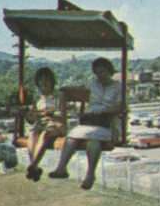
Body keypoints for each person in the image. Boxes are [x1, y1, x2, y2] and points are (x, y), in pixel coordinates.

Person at [49, 57, 123, 190]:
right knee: (71, 138)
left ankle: (89, 175)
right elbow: (83, 94)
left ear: (110, 71)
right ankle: (61, 168)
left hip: (107, 121)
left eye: (103, 72)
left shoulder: (118, 87)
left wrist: (103, 111)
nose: (100, 75)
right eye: (98, 72)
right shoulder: (93, 85)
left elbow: (121, 107)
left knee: (93, 140)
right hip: (91, 120)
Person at [25, 67, 66, 182]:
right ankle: (34, 166)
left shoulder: (59, 95)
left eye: (47, 79)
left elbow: (63, 116)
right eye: (41, 80)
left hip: (57, 125)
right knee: (33, 134)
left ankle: (33, 166)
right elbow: (32, 119)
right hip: (41, 125)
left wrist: (52, 114)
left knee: (44, 135)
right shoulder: (37, 98)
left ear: (51, 81)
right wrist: (29, 115)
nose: (44, 82)